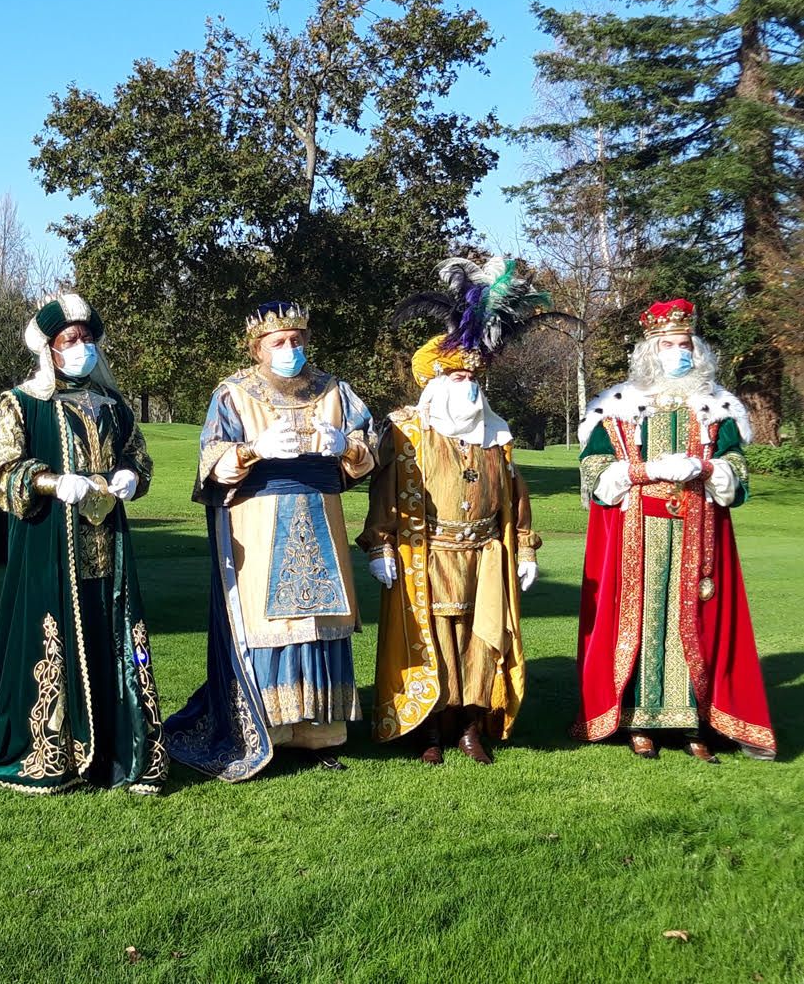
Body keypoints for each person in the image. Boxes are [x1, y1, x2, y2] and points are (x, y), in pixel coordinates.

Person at [0, 293, 167, 793]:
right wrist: (49, 482)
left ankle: (118, 745)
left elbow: (138, 459)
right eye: (70, 340)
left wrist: (131, 476)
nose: (81, 347)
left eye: (87, 338)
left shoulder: (114, 405)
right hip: (50, 544)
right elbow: (0, 467)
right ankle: (54, 747)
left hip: (108, 542)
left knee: (113, 630)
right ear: (50, 348)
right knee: (55, 631)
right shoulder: (21, 402)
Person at [164, 302, 375, 781]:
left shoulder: (334, 390)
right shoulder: (234, 393)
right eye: (278, 342)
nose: (290, 349)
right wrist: (253, 450)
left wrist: (347, 446)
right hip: (259, 516)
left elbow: (369, 449)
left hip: (321, 512)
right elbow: (210, 457)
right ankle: (269, 730)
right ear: (257, 347)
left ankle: (321, 732)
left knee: (321, 618)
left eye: (297, 339)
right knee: (269, 621)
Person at [358, 255, 548, 764]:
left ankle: (471, 728)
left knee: (481, 641)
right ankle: (431, 733)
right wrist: (379, 545)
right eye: (455, 376)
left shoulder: (496, 434)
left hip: (484, 555)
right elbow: (385, 491)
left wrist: (525, 548)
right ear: (434, 380)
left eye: (473, 378)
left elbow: (514, 496)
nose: (466, 385)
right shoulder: (406, 430)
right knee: (434, 642)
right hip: (428, 555)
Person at [574, 298, 776, 761]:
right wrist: (641, 471)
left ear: (697, 350)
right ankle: (638, 722)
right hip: (635, 536)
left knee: (694, 619)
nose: (676, 353)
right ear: (650, 349)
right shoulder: (619, 406)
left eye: (684, 344)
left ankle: (694, 723)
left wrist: (704, 467)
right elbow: (595, 474)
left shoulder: (715, 407)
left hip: (696, 533)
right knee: (641, 620)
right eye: (667, 344)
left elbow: (737, 475)